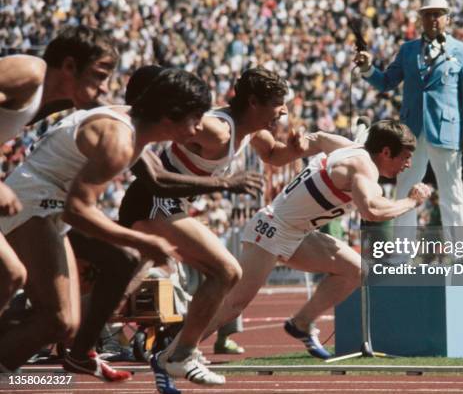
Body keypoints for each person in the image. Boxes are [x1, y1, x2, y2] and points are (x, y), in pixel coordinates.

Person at [0, 68, 210, 375]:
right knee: (58, 322)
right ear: (170, 115)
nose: (199, 127)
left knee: (123, 259)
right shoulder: (119, 138)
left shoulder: (135, 132)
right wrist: (144, 239)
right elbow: (78, 211)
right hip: (32, 203)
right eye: (196, 117)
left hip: (51, 207)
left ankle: (81, 352)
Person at [118, 66, 307, 390]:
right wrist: (132, 105)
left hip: (168, 206)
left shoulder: (251, 132)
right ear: (253, 102)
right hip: (152, 201)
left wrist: (296, 151)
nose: (284, 112)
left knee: (118, 296)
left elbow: (274, 154)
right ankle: (177, 354)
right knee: (225, 271)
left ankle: (171, 352)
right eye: (279, 104)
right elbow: (159, 123)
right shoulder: (216, 129)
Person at [191, 120, 431, 363]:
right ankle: (180, 346)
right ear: (386, 152)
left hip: (298, 233)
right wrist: (411, 201)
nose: (408, 164)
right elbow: (371, 211)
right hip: (272, 229)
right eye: (405, 157)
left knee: (355, 270)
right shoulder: (363, 168)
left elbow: (317, 138)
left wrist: (303, 143)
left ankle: (302, 323)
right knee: (235, 304)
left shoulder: (346, 146)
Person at [0, 25, 117, 318]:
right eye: (99, 76)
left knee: (11, 277)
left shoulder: (49, 99)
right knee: (10, 274)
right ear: (68, 65)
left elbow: (109, 108)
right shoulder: (28, 72)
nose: (104, 87)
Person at [354, 0, 463, 228]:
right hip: (411, 130)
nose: (433, 19)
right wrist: (368, 68)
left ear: (447, 19)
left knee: (452, 192)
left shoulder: (462, 51)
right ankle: (402, 253)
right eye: (428, 14)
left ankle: (458, 257)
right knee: (405, 190)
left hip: (446, 129)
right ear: (421, 18)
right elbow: (387, 81)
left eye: (438, 15)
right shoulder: (408, 50)